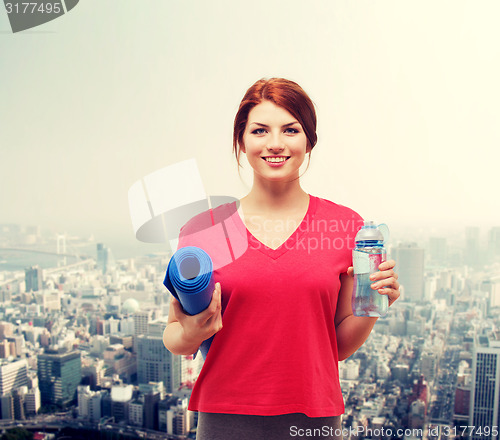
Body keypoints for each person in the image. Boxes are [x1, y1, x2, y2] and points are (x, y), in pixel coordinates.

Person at [163, 78, 400, 440]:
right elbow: (174, 335)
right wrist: (193, 332)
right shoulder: (203, 230)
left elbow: (336, 348)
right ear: (241, 141)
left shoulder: (346, 226)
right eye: (260, 130)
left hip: (313, 421)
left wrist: (374, 304)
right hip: (225, 420)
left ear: (309, 140)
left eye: (290, 129)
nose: (275, 144)